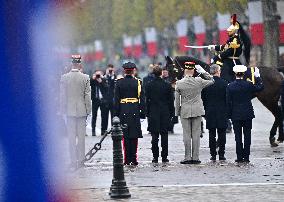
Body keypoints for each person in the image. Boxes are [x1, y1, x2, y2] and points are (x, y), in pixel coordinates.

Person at [175, 61, 214, 164]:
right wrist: (204, 71)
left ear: (184, 70)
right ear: (193, 71)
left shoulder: (179, 83)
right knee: (196, 134)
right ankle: (195, 157)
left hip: (185, 110)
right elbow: (212, 80)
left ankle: (187, 157)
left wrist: (177, 113)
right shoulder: (199, 80)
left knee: (186, 135)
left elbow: (177, 100)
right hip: (197, 110)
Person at [226, 65, 264, 163]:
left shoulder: (230, 86)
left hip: (235, 114)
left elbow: (228, 102)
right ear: (243, 74)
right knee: (247, 136)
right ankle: (246, 157)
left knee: (238, 137)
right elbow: (260, 87)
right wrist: (258, 77)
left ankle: (239, 157)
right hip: (247, 113)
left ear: (235, 74)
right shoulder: (249, 84)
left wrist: (229, 115)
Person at [60, 55, 92, 168]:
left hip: (69, 111)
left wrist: (62, 110)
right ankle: (81, 159)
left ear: (71, 64)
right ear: (79, 64)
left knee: (71, 137)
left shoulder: (64, 77)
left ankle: (73, 160)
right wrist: (89, 110)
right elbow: (87, 96)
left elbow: (62, 96)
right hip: (82, 110)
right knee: (81, 137)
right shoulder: (85, 77)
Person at [114, 62, 146, 166]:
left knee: (125, 136)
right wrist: (142, 114)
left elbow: (116, 100)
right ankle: (134, 158)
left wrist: (116, 114)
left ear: (124, 71)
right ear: (133, 71)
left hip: (123, 110)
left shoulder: (119, 83)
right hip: (135, 110)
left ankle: (127, 159)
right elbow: (142, 99)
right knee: (134, 136)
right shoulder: (138, 83)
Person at [145, 65, 174, 163]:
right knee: (164, 136)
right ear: (161, 73)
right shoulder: (167, 85)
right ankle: (164, 157)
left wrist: (147, 113)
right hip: (165, 113)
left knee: (154, 136)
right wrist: (171, 114)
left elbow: (147, 101)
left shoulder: (149, 85)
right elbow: (171, 101)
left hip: (153, 113)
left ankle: (155, 157)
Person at [202, 64, 228, 161]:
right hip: (222, 112)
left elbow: (203, 99)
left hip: (210, 111)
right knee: (222, 134)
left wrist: (205, 112)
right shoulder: (225, 83)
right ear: (217, 71)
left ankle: (213, 154)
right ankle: (221, 154)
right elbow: (227, 99)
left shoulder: (206, 84)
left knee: (211, 134)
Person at [90, 70, 108, 136]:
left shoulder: (103, 80)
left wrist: (101, 81)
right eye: (97, 74)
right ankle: (93, 131)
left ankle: (103, 131)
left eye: (99, 74)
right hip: (95, 100)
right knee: (94, 115)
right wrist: (93, 78)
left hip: (103, 100)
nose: (98, 76)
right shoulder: (93, 80)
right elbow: (89, 84)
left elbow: (107, 88)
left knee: (104, 116)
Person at [162, 66, 178, 134]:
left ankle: (171, 127)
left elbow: (175, 87)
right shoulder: (161, 79)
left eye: (166, 72)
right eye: (164, 72)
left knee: (172, 114)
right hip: (163, 99)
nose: (165, 73)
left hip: (171, 98)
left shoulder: (172, 79)